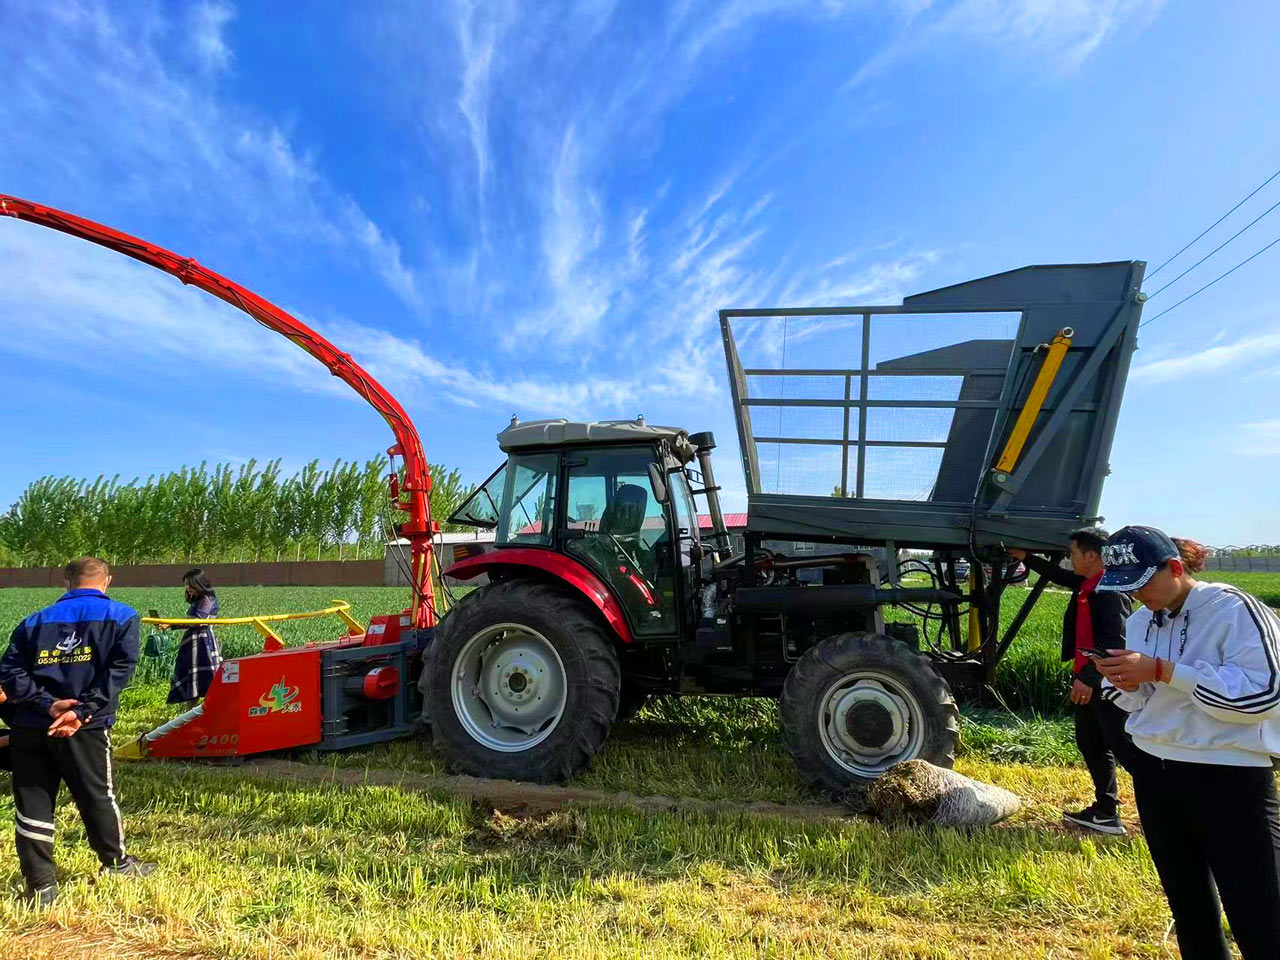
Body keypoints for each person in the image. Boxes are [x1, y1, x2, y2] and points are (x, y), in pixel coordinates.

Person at [1094, 526, 1280, 960]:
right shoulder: (1141, 621)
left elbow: (1264, 693)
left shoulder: (1232, 610)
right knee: (1188, 902)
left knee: (1259, 908)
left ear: (1175, 568)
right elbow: (1148, 699)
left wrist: (1161, 670)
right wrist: (1124, 681)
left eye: (1142, 582)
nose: (1137, 596)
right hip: (1157, 770)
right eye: (1127, 587)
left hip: (1229, 773)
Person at [0, 557, 156, 907]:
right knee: (97, 795)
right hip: (84, 729)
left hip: (30, 726)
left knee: (33, 802)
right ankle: (116, 864)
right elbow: (118, 673)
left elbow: (10, 672)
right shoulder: (122, 616)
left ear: (67, 582)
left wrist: (46, 705)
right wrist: (81, 711)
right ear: (107, 581)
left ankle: (41, 886)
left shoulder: (33, 621)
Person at [1010, 527, 1133, 834]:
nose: (1070, 558)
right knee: (1091, 743)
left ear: (1091, 556)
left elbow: (1116, 641)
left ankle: (1167, 810)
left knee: (1127, 748)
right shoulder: (1088, 584)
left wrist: (1089, 679)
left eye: (1073, 553)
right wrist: (1027, 558)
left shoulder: (1111, 591)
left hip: (1105, 683)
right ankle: (1106, 812)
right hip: (1088, 679)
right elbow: (1061, 577)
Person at [163, 568, 221, 706]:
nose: (188, 588)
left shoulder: (208, 598)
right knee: (191, 676)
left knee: (205, 677)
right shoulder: (197, 599)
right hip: (192, 641)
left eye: (190, 585)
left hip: (202, 641)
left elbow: (198, 620)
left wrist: (171, 624)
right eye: (186, 585)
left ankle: (208, 711)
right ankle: (190, 713)